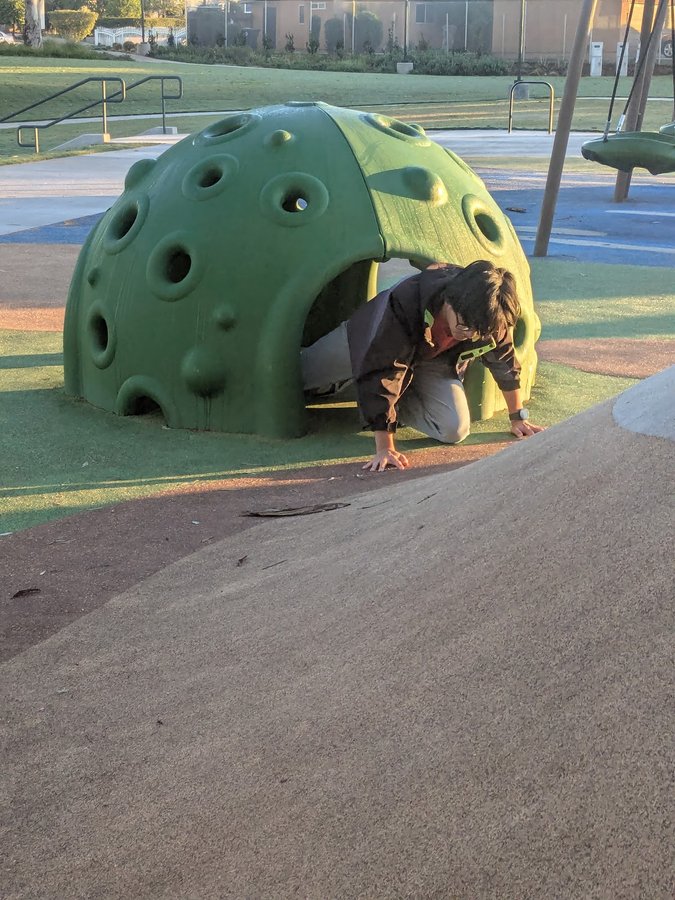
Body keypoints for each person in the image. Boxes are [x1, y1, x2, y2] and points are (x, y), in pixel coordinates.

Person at [301, 259, 544, 472]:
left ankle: (381, 400)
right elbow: (383, 368)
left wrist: (518, 417)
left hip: (431, 361)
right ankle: (358, 385)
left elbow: (504, 362)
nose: (469, 335)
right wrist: (385, 447)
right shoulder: (405, 301)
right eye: (464, 326)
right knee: (298, 377)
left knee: (453, 429)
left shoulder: (490, 317)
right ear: (450, 301)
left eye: (477, 331)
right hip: (366, 340)